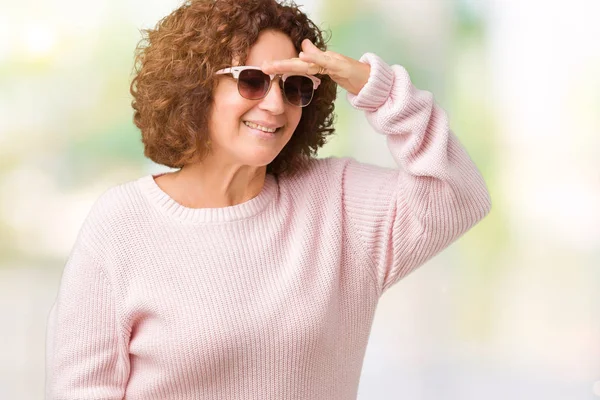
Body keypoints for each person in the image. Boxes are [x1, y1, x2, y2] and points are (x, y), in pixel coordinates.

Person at [45, 0, 491, 398]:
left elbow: (459, 194)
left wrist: (372, 85)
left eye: (295, 86)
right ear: (196, 88)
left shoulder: (339, 203)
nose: (276, 106)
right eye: (253, 81)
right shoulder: (122, 224)